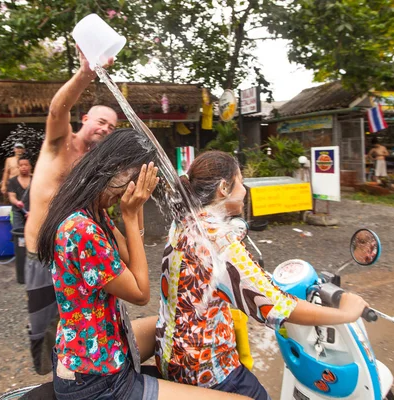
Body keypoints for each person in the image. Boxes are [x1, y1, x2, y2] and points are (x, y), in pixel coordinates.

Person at [38, 130, 251, 400]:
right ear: (113, 168)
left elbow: (128, 254)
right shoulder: (80, 230)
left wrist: (135, 208)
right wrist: (128, 216)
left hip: (96, 347)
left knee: (174, 329)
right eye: (132, 183)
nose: (130, 192)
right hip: (98, 380)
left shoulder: (93, 212)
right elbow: (140, 293)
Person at [155, 151, 369, 398]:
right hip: (206, 370)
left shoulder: (183, 223)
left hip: (171, 355)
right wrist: (344, 314)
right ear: (224, 188)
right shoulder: (220, 242)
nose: (245, 189)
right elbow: (276, 307)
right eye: (240, 181)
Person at [23, 47, 144, 376]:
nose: (106, 129)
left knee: (82, 328)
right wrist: (85, 73)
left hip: (79, 256)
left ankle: (76, 380)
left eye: (112, 126)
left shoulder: (97, 167)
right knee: (44, 331)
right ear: (84, 120)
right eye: (101, 122)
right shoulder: (60, 144)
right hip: (42, 254)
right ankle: (52, 382)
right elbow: (55, 110)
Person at [7, 155, 32, 229]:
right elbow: (11, 197)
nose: (23, 167)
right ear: (18, 167)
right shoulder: (12, 181)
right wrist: (17, 202)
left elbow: (39, 198)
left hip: (32, 212)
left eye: (26, 165)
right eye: (21, 165)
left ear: (30, 166)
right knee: (18, 235)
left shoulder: (35, 180)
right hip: (17, 212)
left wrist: (33, 212)